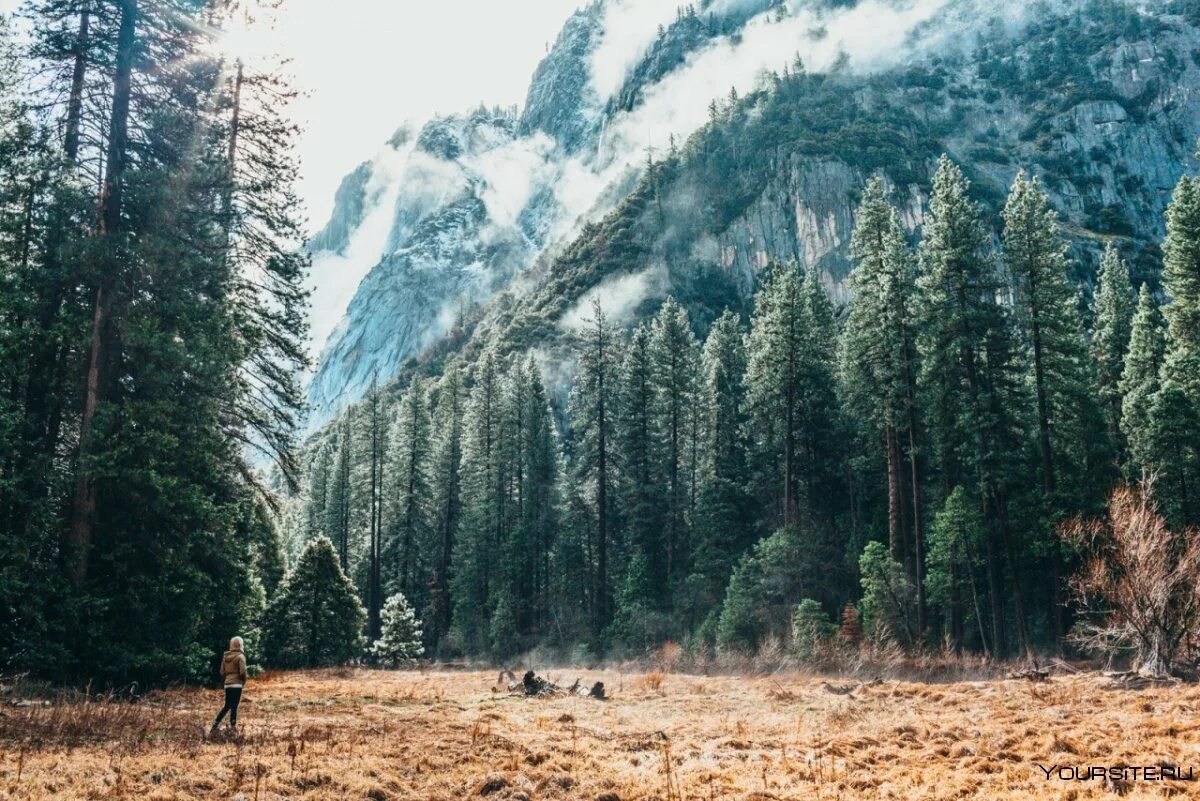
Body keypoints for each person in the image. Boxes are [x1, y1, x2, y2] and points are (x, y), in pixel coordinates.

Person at [211, 636, 248, 735]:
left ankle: (215, 724)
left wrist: (227, 680)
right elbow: (242, 672)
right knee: (234, 706)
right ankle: (233, 728)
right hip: (237, 684)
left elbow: (222, 672)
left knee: (227, 706)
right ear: (240, 645)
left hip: (227, 684)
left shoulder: (225, 657)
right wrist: (244, 681)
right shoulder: (240, 656)